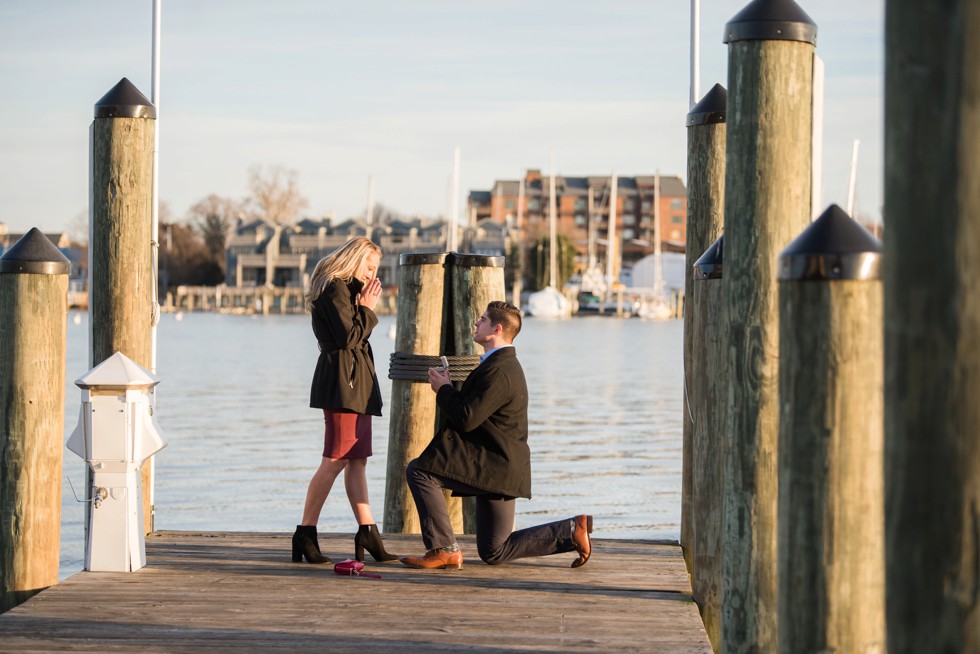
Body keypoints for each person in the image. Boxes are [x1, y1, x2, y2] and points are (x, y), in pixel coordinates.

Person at [399, 300, 592, 570]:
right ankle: (570, 531)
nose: (476, 323)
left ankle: (445, 550)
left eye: (482, 319)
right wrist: (449, 387)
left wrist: (443, 389)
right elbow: (475, 412)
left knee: (419, 471)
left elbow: (467, 418)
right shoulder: (498, 365)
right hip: (497, 464)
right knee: (494, 551)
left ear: (496, 329)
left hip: (495, 466)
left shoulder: (500, 370)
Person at [291, 237, 397, 565]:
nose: (371, 274)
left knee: (357, 459)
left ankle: (368, 531)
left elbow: (355, 337)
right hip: (342, 384)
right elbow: (348, 337)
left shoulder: (348, 290)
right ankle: (305, 534)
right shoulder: (335, 288)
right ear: (353, 260)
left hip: (357, 384)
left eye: (375, 268)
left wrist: (363, 305)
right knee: (335, 459)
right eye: (369, 266)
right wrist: (366, 307)